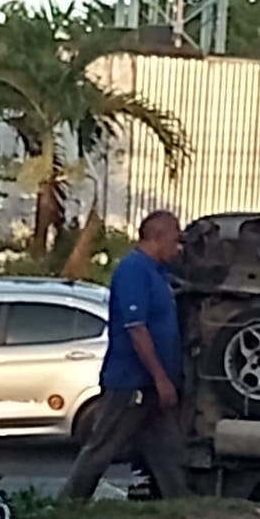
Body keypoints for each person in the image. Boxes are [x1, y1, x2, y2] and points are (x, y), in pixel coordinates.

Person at [62, 210, 187, 501]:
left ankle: (181, 504)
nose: (177, 248)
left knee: (166, 448)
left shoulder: (158, 272)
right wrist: (160, 378)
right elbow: (137, 330)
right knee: (103, 445)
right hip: (130, 381)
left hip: (151, 384)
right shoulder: (134, 270)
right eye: (174, 240)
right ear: (157, 237)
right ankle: (69, 503)